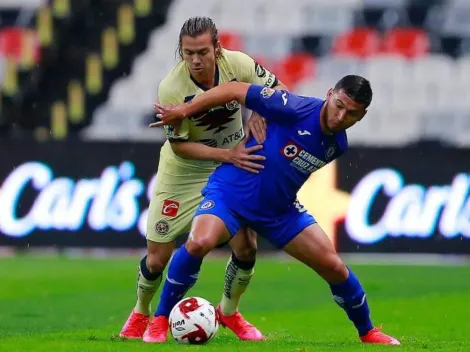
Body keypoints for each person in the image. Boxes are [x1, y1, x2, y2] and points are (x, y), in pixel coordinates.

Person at [151, 75, 401, 345]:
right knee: (200, 242)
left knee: (334, 266)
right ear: (330, 94)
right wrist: (184, 110)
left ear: (361, 116)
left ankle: (368, 332)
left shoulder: (337, 145)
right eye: (339, 105)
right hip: (231, 193)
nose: (341, 116)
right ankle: (160, 320)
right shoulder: (294, 107)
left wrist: (262, 113)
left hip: (278, 210)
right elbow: (235, 89)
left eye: (351, 113)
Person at [119, 16, 287, 343]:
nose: (195, 60)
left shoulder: (238, 64)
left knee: (247, 246)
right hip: (183, 172)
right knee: (157, 256)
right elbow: (180, 147)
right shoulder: (172, 88)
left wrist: (259, 113)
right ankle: (141, 310)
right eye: (188, 53)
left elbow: (279, 91)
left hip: (232, 167)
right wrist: (228, 154)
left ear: (217, 49)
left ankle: (229, 311)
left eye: (202, 52)